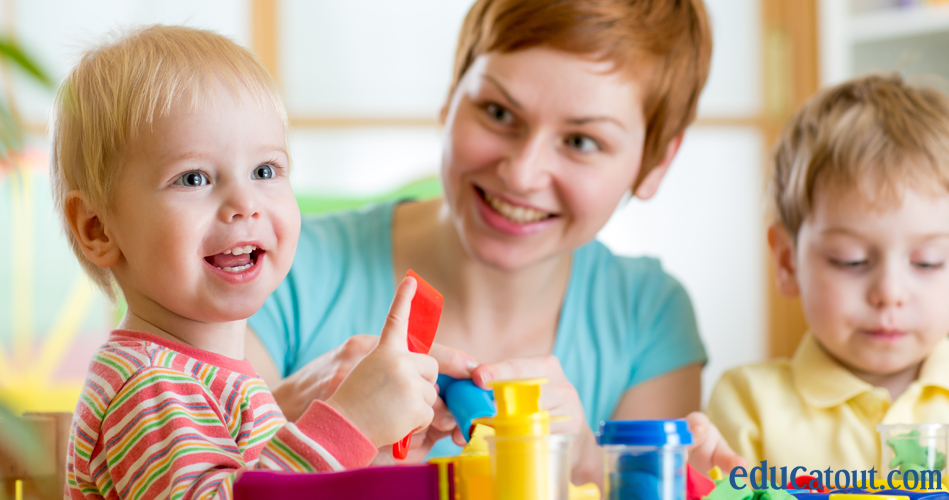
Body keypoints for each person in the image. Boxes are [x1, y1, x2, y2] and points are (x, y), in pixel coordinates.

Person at [247, 0, 718, 482]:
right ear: (452, 95)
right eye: (497, 112)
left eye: (581, 142)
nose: (522, 172)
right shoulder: (276, 266)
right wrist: (287, 415)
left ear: (656, 162)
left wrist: (581, 461)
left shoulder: (651, 317)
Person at [54, 26, 439, 499]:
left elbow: (268, 482)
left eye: (264, 171)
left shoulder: (213, 376)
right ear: (98, 228)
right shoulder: (150, 385)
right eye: (193, 177)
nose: (245, 202)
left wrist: (373, 449)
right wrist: (349, 425)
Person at [706, 74, 949, 474]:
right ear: (787, 262)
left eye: (927, 261)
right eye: (850, 260)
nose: (889, 294)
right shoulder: (749, 404)